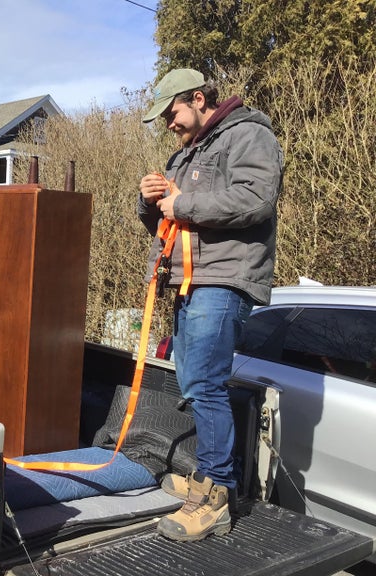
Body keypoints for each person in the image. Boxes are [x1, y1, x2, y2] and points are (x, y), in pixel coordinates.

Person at [138, 68, 283, 541]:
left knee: (205, 385)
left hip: (223, 280)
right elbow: (170, 217)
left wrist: (182, 203)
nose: (169, 125)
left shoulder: (247, 134)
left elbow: (256, 198)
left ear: (198, 98)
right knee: (193, 381)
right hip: (188, 282)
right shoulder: (187, 153)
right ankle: (207, 478)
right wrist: (150, 201)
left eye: (172, 113)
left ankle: (217, 492)